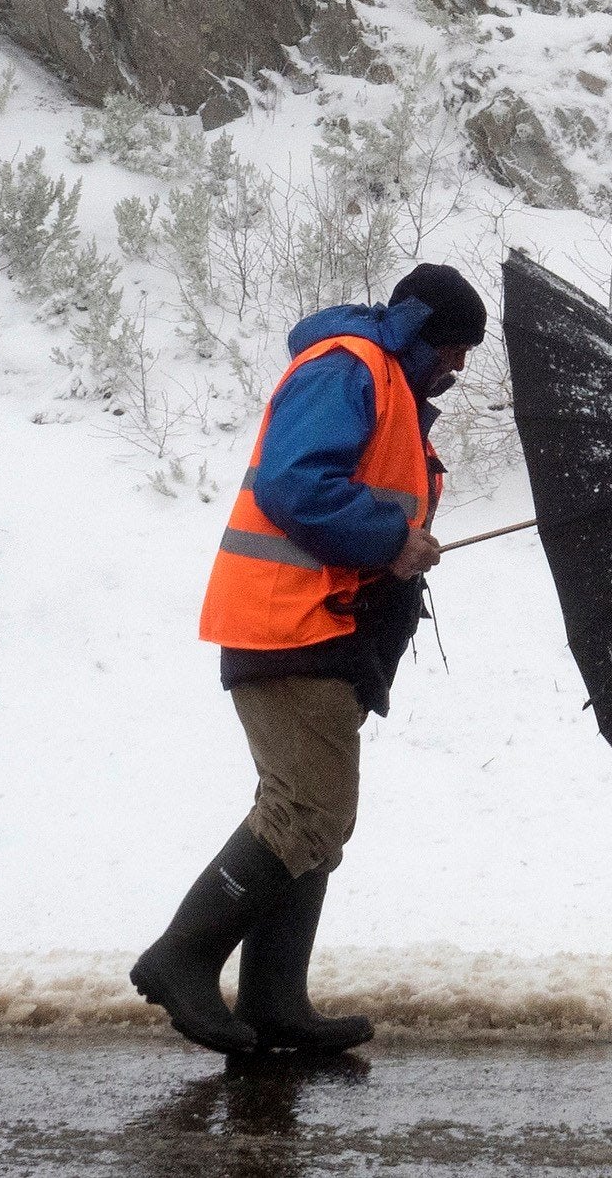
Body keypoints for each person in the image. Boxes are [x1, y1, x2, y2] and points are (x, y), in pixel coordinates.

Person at [129, 261, 485, 1057]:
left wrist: (401, 543)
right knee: (310, 811)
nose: (459, 367)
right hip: (287, 622)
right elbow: (296, 486)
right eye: (454, 348)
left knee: (316, 819)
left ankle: (274, 1000)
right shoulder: (349, 368)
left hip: (321, 627)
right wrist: (392, 540)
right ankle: (181, 958)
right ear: (419, 327)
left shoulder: (387, 383)